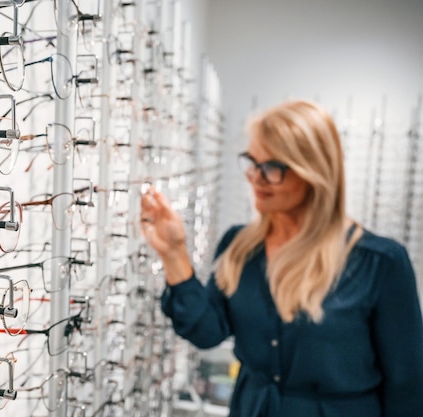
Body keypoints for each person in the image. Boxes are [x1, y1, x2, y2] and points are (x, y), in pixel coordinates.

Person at [140, 99, 423, 417]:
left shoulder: (380, 263)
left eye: (273, 168)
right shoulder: (240, 247)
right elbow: (208, 332)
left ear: (313, 173)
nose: (256, 178)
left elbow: (407, 386)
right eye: (252, 161)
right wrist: (174, 252)